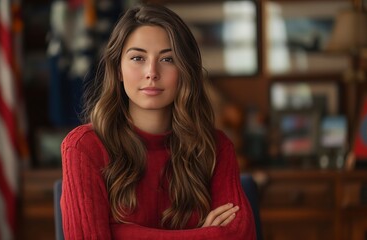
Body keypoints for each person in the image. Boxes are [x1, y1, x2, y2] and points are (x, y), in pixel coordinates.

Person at [61, 3, 256, 239]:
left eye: (167, 59)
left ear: (185, 70)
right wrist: (204, 234)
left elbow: (239, 233)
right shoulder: (83, 147)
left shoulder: (215, 146)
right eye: (137, 58)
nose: (151, 72)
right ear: (118, 69)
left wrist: (120, 233)